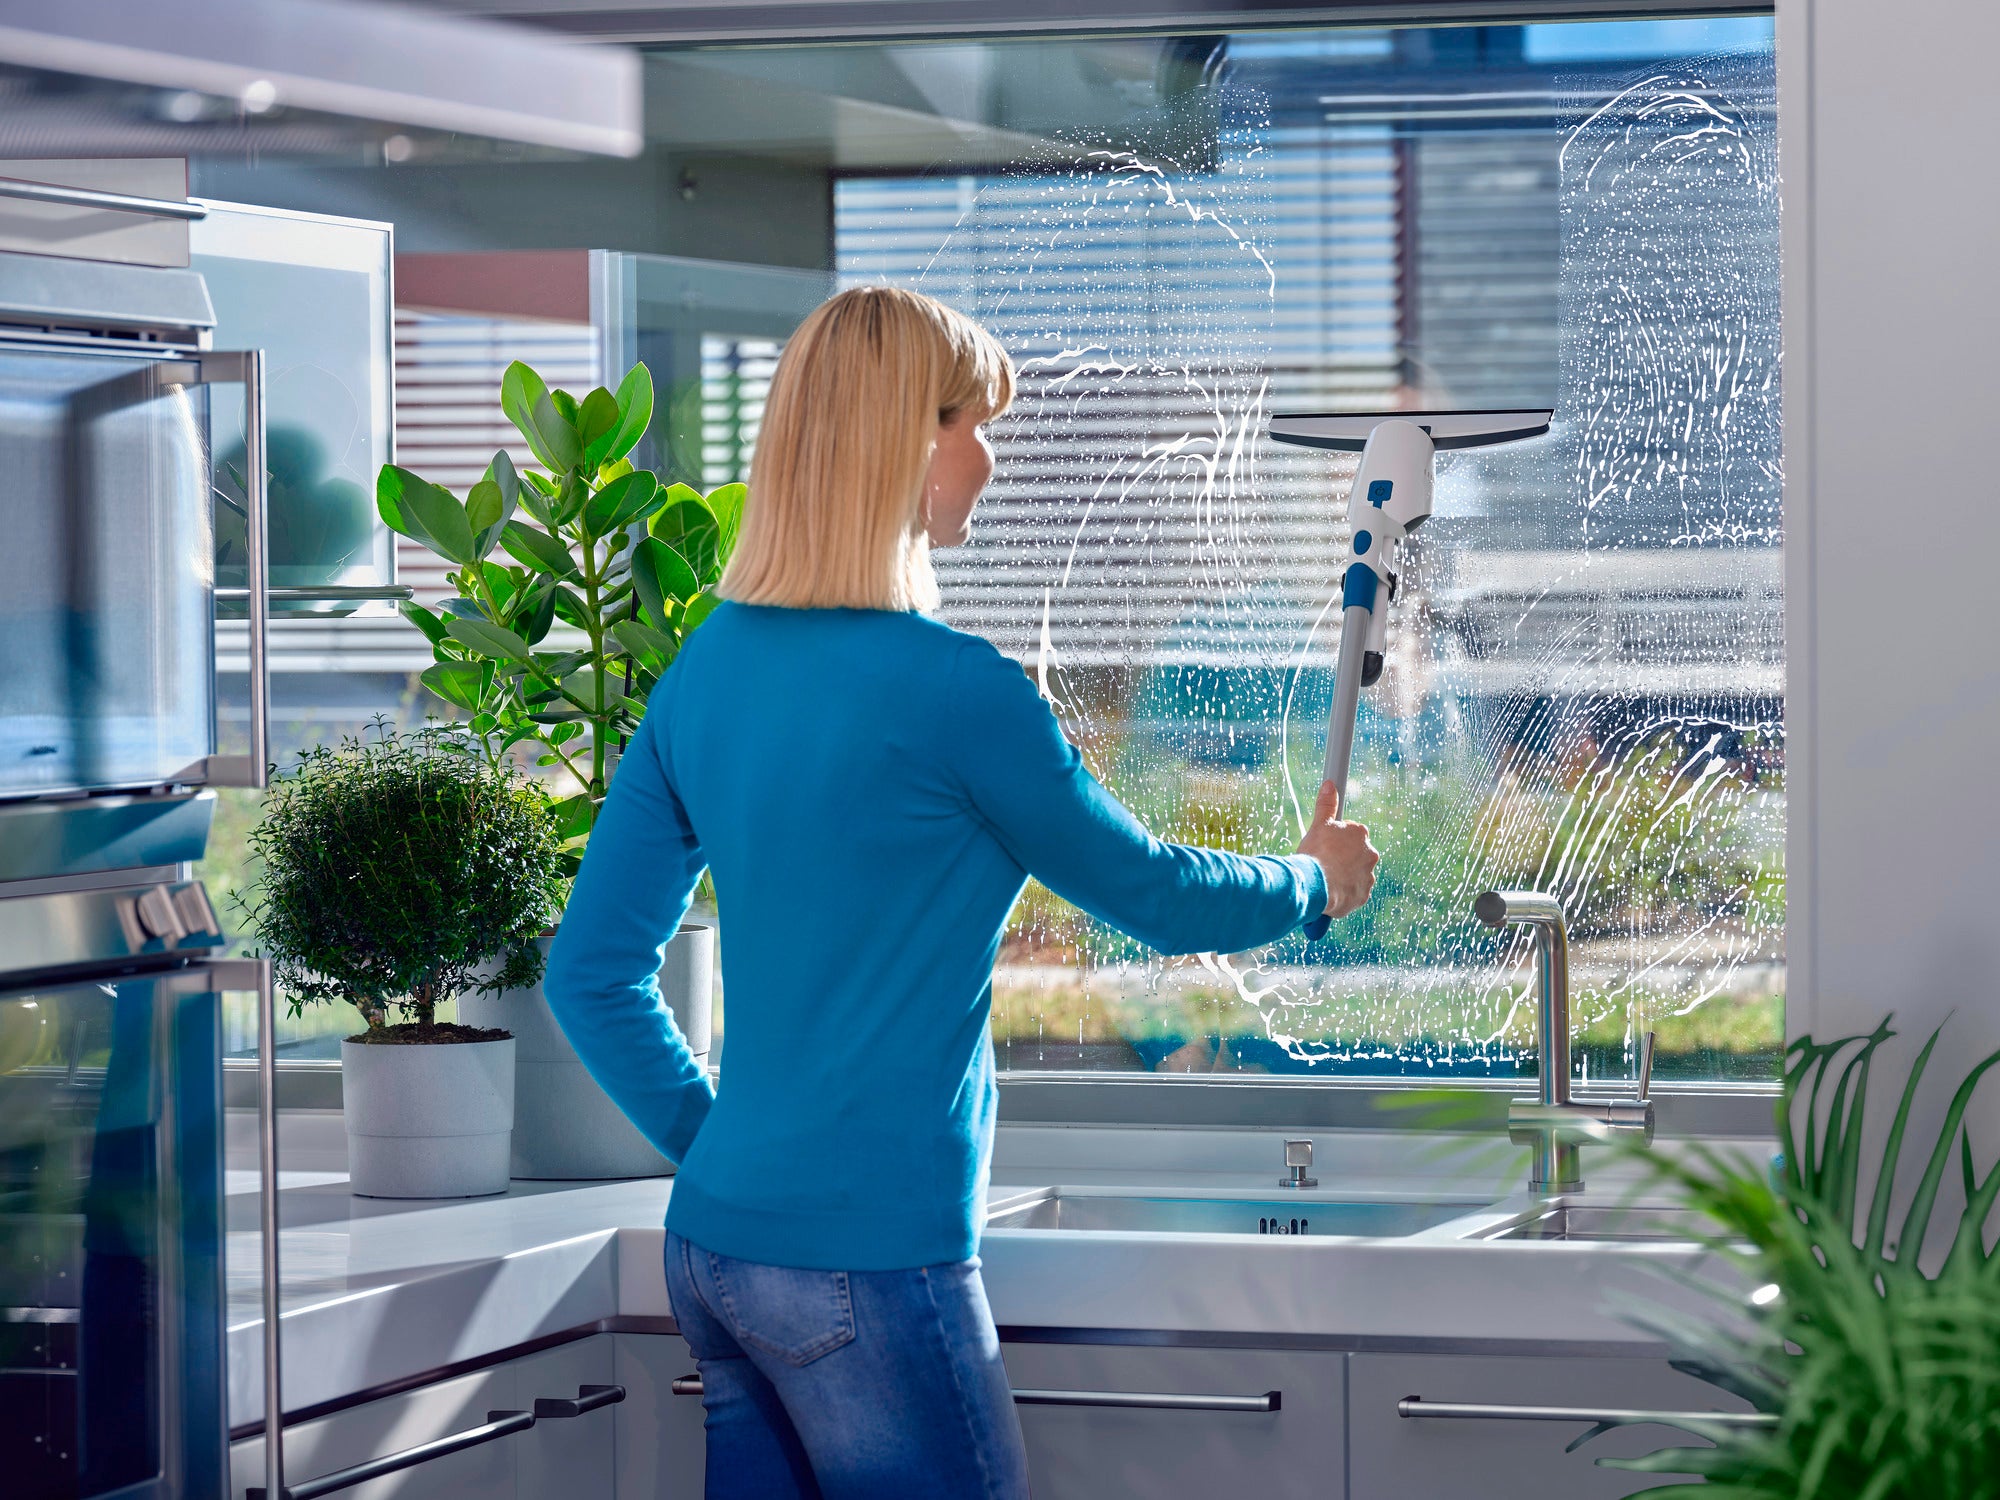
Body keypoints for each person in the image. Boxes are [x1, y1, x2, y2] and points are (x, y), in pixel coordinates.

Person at [545, 286, 1379, 1500]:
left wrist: (713, 1144)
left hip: (717, 1250)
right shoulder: (960, 694)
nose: (986, 455)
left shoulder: (704, 670)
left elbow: (591, 972)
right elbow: (1152, 893)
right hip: (870, 1266)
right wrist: (1314, 882)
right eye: (964, 421)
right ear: (893, 441)